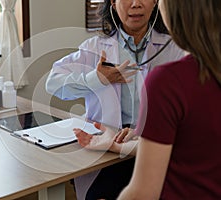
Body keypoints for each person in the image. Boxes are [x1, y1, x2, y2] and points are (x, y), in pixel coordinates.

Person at [76, 0, 221, 199]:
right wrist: (114, 143)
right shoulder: (94, 46)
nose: (136, 4)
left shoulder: (168, 80)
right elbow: (185, 145)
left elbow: (142, 192)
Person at [46, 0, 185, 199]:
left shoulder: (173, 48)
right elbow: (53, 84)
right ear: (113, 3)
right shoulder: (94, 48)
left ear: (155, 2)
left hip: (153, 147)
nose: (136, 4)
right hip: (108, 151)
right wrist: (96, 79)